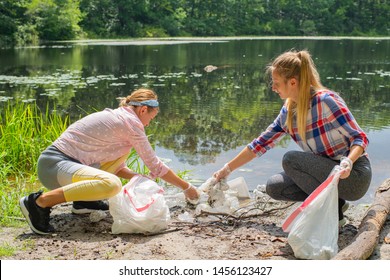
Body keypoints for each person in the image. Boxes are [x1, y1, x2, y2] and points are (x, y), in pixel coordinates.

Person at [213, 50, 372, 226]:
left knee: (291, 159)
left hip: (354, 176)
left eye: (276, 83)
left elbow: (360, 138)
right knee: (275, 187)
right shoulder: (288, 112)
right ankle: (338, 204)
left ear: (293, 82)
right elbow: (259, 144)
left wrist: (348, 162)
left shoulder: (326, 101)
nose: (273, 88)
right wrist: (226, 169)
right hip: (327, 174)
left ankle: (333, 215)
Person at [20, 88, 199, 235]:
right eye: (151, 119)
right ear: (143, 110)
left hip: (63, 167)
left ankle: (84, 202)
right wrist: (187, 188)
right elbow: (155, 165)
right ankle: (39, 202)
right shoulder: (130, 122)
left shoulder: (123, 119)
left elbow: (117, 166)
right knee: (112, 185)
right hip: (54, 166)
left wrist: (138, 177)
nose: (149, 124)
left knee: (119, 162)